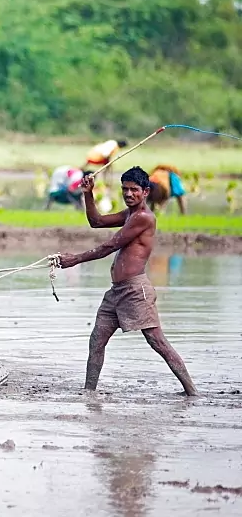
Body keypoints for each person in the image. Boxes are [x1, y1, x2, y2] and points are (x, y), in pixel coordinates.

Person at [57, 166, 198, 397]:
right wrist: (88, 194)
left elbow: (110, 246)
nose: (129, 194)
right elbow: (97, 222)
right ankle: (89, 394)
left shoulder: (143, 217)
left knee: (157, 342)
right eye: (125, 189)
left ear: (146, 192)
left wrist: (75, 259)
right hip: (116, 292)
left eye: (134, 190)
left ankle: (192, 392)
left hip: (135, 291)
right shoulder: (130, 214)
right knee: (97, 341)